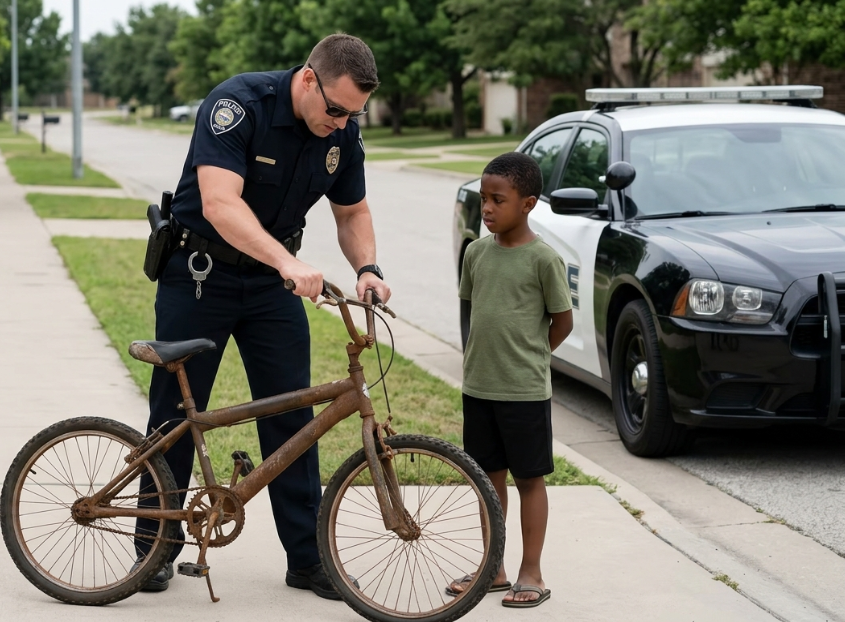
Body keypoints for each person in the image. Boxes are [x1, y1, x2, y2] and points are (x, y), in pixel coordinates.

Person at [133, 33, 392, 600]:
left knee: (293, 414)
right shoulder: (237, 105)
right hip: (202, 273)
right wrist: (287, 261)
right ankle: (153, 548)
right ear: (307, 80)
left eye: (355, 114)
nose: (344, 124)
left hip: (274, 283)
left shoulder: (341, 133)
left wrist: (367, 267)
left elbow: (352, 211)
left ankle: (307, 558)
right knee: (176, 410)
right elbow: (220, 203)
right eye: (336, 110)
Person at [445, 152, 573, 608]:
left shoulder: (544, 260)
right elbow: (471, 312)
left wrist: (533, 357)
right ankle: (492, 569)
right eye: (484, 199)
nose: (488, 209)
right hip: (478, 388)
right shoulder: (476, 253)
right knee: (486, 480)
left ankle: (531, 571)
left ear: (528, 203)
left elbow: (562, 322)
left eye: (498, 199)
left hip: (523, 392)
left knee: (529, 480)